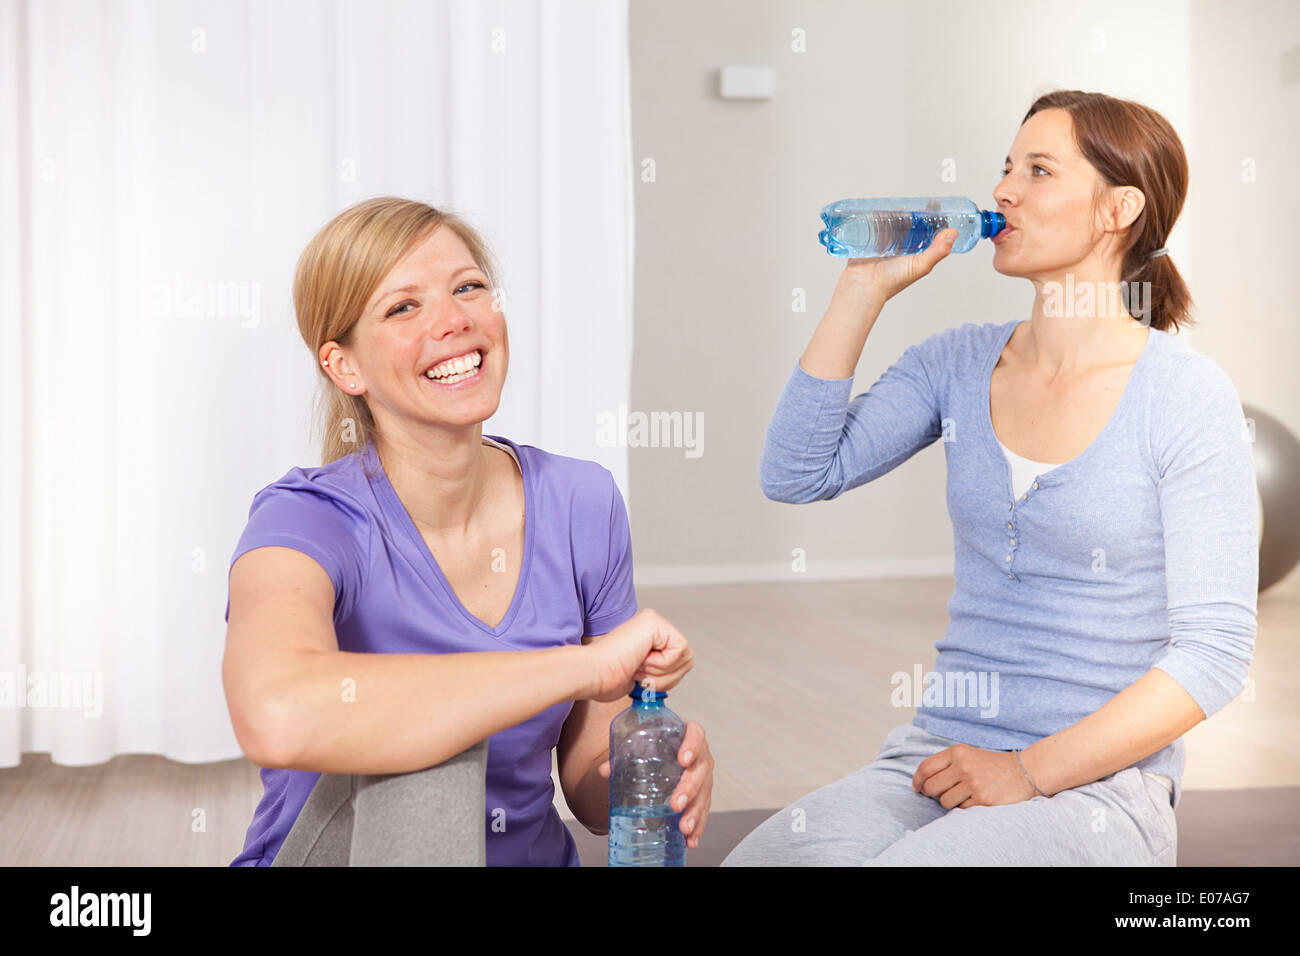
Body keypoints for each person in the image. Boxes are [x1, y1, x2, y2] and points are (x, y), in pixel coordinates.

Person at [724, 90, 1257, 866]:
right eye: (1006, 167)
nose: (1003, 190)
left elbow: (1214, 656)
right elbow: (797, 474)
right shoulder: (957, 362)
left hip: (1099, 790)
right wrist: (862, 288)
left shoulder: (1184, 395)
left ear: (1119, 209)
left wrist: (1027, 772)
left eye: (1039, 171)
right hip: (937, 756)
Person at [223, 197, 714, 865]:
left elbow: (589, 795)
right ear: (345, 367)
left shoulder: (581, 501)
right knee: (428, 754)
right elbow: (277, 714)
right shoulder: (304, 519)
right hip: (348, 855)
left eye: (469, 288)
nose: (453, 321)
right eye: (403, 307)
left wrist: (648, 759)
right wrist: (582, 667)